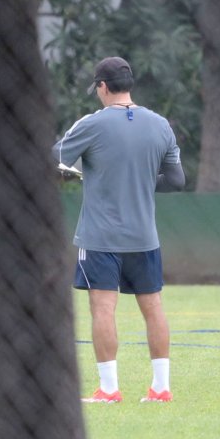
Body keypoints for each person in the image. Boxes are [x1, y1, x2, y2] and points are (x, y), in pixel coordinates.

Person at [52, 56, 186, 404]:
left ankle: (109, 389)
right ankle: (160, 388)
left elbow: (53, 161)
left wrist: (70, 173)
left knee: (103, 309)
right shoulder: (160, 126)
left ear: (102, 87)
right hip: (144, 237)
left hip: (100, 237)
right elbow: (176, 180)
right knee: (153, 307)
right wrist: (139, 182)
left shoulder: (91, 125)